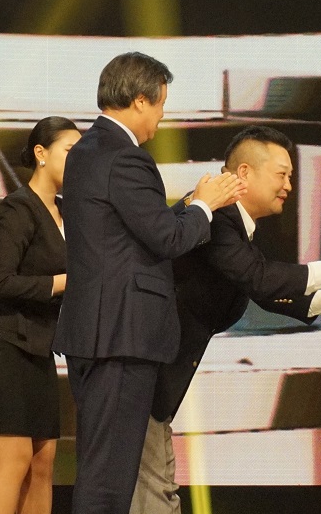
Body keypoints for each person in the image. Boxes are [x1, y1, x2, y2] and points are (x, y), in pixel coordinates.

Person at [130, 126, 321, 514]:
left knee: (154, 488)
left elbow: (261, 288)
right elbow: (258, 278)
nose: (288, 185)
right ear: (244, 172)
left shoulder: (232, 223)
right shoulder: (214, 217)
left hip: (157, 376)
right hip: (141, 372)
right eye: (281, 174)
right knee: (154, 492)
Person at [53, 52, 245, 514]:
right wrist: (204, 206)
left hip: (95, 333)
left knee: (102, 470)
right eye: (160, 104)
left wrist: (191, 205)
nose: (161, 115)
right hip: (123, 336)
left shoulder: (87, 151)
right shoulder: (127, 157)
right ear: (140, 99)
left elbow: (130, 229)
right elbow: (167, 239)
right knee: (109, 481)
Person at [0, 116, 82, 514]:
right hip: (0, 344)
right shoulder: (18, 208)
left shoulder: (68, 212)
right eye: (70, 151)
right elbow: (0, 282)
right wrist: (64, 282)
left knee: (43, 464)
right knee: (13, 459)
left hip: (38, 348)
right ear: (41, 153)